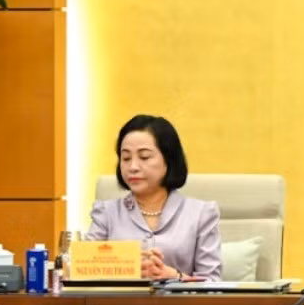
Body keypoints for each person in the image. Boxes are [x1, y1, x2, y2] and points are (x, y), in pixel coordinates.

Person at [86, 115, 222, 281]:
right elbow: (81, 270)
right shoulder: (106, 214)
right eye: (126, 158)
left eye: (144, 157)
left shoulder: (201, 214)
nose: (133, 167)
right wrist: (126, 268)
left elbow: (212, 284)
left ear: (168, 160)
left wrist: (174, 276)